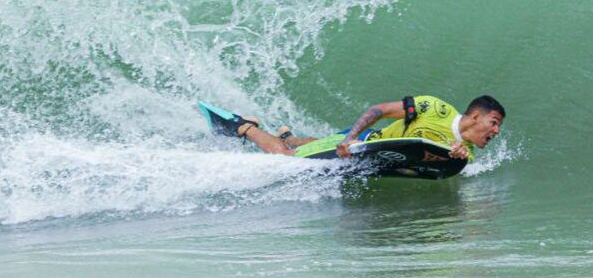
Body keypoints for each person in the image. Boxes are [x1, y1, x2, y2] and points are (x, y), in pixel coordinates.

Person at [214, 95, 505, 161]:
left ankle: (287, 136)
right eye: (494, 122)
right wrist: (352, 139)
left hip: (370, 146)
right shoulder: (433, 108)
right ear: (475, 116)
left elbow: (429, 159)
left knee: (324, 142)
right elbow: (377, 111)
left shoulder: (465, 152)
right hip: (365, 139)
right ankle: (243, 126)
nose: (496, 131)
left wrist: (450, 156)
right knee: (286, 158)